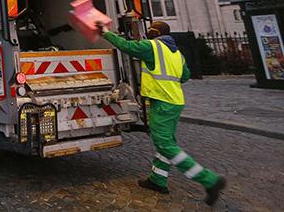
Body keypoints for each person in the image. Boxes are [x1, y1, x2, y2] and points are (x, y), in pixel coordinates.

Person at [96, 20, 226, 205]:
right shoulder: (176, 53)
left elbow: (127, 46)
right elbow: (185, 76)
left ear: (155, 32)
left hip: (162, 103)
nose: (147, 33)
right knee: (166, 141)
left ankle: (210, 180)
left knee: (165, 144)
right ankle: (158, 180)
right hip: (175, 102)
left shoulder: (152, 46)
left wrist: (105, 32)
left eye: (149, 30)